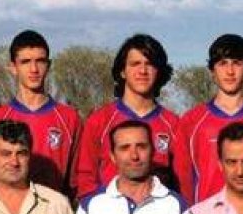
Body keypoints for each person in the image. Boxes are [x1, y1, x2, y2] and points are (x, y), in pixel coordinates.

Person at [174, 34, 243, 205]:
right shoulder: (191, 121)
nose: (230, 71)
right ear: (212, 71)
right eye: (222, 63)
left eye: (237, 63)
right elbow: (184, 180)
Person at [75, 34, 180, 199]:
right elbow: (85, 176)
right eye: (135, 64)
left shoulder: (174, 124)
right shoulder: (99, 120)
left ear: (159, 71)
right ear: (122, 71)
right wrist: (96, 210)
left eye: (150, 64)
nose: (143, 71)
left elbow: (181, 181)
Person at [0, 30, 81, 196]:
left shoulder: (69, 119)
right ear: (13, 67)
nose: (34, 69)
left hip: (52, 212)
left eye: (40, 61)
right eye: (26, 62)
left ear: (48, 65)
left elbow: (76, 180)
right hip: (6, 213)